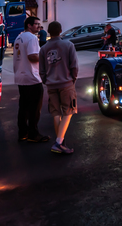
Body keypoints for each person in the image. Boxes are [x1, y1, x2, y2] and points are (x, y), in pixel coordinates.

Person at [39, 21, 79, 154]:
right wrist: (73, 78)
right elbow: (74, 65)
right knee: (68, 112)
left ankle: (60, 141)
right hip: (66, 83)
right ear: (61, 30)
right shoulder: (68, 45)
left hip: (51, 84)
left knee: (56, 113)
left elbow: (42, 70)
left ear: (49, 32)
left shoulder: (44, 49)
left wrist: (46, 80)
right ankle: (58, 142)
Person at [13, 16, 49, 142]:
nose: (39, 26)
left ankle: (22, 133)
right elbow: (33, 56)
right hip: (32, 77)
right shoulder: (32, 38)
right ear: (29, 25)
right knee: (34, 108)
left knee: (23, 107)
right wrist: (44, 57)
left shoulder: (19, 37)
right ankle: (33, 134)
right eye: (36, 24)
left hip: (21, 77)